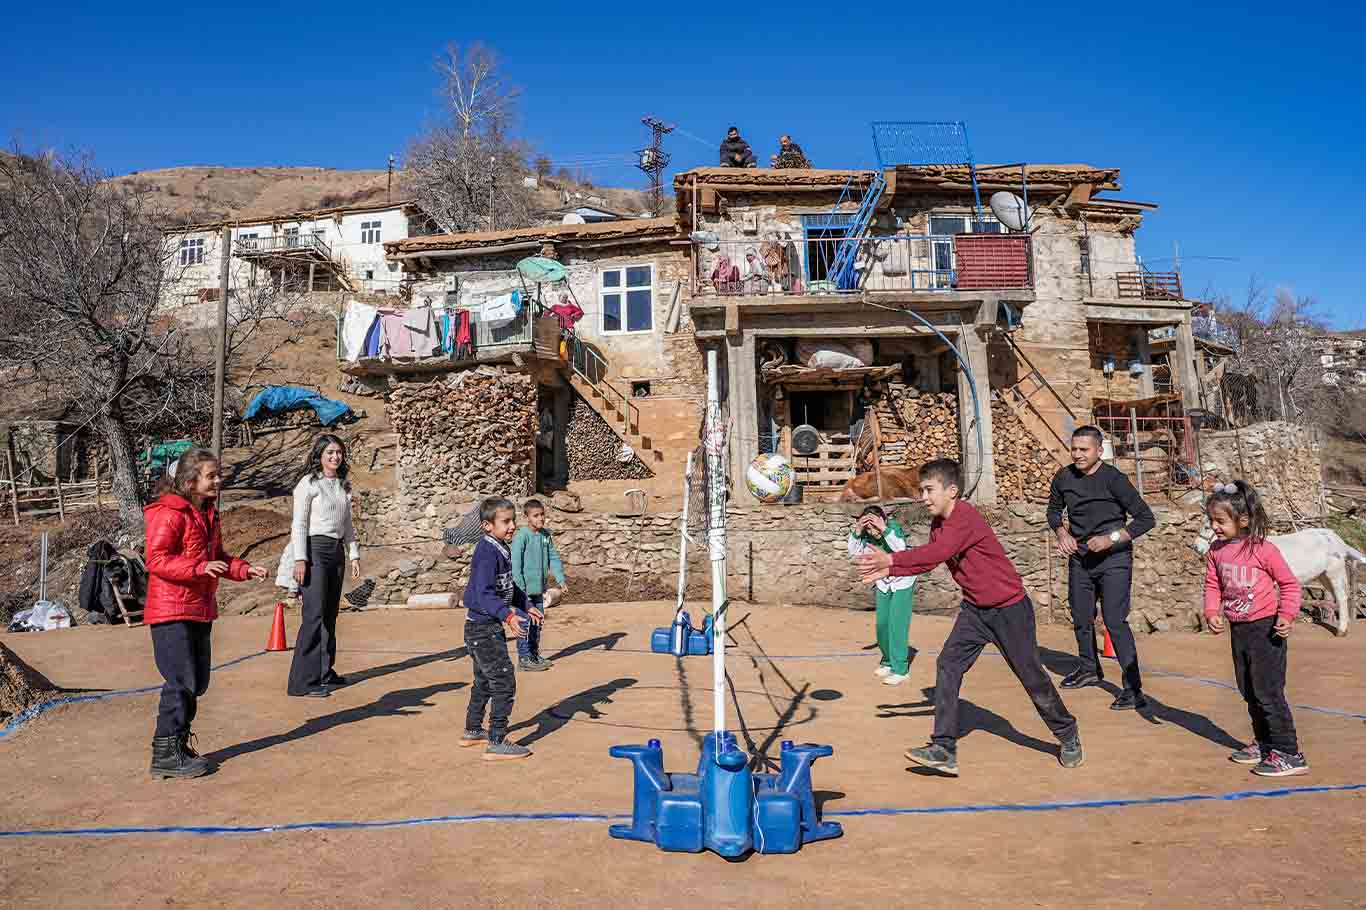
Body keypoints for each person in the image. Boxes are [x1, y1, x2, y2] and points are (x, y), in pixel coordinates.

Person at [857, 459, 1082, 776]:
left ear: (952, 491)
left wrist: (891, 558)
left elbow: (936, 554)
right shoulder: (938, 524)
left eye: (929, 490)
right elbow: (927, 561)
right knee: (948, 664)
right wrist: (890, 567)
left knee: (1031, 677)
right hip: (975, 612)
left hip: (1009, 610)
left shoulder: (964, 517)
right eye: (922, 490)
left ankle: (1068, 733)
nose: (923, 497)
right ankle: (944, 747)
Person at [144, 448, 268, 779]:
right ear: (189, 481)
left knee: (197, 681)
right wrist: (199, 567)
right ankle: (165, 753)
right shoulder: (168, 513)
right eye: (211, 475)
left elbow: (219, 558)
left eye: (218, 474)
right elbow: (155, 560)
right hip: (172, 609)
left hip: (199, 608)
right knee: (181, 679)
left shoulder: (208, 514)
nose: (218, 480)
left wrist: (244, 569)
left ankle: (178, 744)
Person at [1203, 480, 1308, 777]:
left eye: (1220, 521)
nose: (1215, 526)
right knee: (1248, 689)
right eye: (1211, 520)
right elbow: (1213, 585)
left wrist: (1286, 615)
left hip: (1267, 629)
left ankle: (1289, 751)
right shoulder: (1216, 551)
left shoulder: (1264, 550)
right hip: (1240, 630)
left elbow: (1288, 584)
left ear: (1244, 520)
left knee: (1268, 691)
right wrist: (1212, 610)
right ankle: (1264, 743)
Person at [1046, 426, 1156, 709]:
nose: (1078, 454)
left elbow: (1145, 519)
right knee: (1081, 615)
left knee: (1114, 621)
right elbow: (1054, 511)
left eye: (1084, 450)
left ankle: (1133, 689)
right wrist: (1061, 533)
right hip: (1080, 558)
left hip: (1114, 559)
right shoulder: (1063, 477)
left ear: (1099, 451)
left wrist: (1111, 539)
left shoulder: (1114, 480)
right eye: (1074, 449)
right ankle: (1088, 669)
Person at [461, 497, 541, 761]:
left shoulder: (500, 548)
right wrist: (508, 616)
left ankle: (473, 730)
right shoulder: (486, 552)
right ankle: (496, 741)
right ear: (486, 525)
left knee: (484, 680)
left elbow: (509, 587)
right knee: (504, 680)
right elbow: (484, 594)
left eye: (513, 520)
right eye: (505, 522)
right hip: (483, 629)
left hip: (485, 627)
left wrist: (525, 605)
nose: (512, 526)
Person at [286, 434, 361, 699]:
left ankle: (324, 671)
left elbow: (348, 525)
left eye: (339, 452)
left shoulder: (342, 486)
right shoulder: (308, 483)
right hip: (314, 549)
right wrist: (300, 558)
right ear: (319, 455)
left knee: (330, 614)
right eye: (329, 452)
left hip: (336, 551)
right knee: (314, 614)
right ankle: (302, 682)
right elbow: (300, 524)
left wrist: (353, 555)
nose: (335, 457)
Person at [847, 506, 917, 686]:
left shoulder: (893, 529)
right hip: (883, 581)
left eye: (875, 526)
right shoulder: (866, 535)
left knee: (897, 624)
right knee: (882, 624)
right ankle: (887, 660)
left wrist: (883, 528)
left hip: (903, 581)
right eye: (869, 527)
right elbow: (854, 552)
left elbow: (900, 548)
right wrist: (857, 530)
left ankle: (901, 670)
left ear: (884, 522)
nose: (873, 531)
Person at [510, 499, 567, 672]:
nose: (540, 518)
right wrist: (520, 589)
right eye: (536, 516)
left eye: (542, 514)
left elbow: (554, 558)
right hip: (524, 592)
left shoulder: (545, 535)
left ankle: (534, 655)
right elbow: (515, 565)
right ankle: (524, 658)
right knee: (525, 624)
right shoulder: (521, 536)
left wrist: (560, 579)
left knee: (537, 623)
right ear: (527, 517)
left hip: (539, 590)